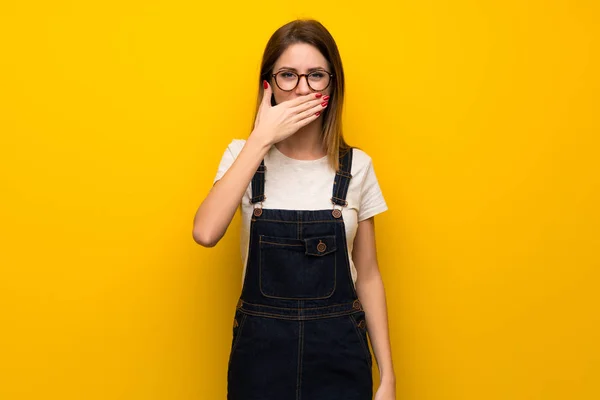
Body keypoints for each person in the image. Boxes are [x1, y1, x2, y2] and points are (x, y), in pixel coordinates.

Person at [193, 18, 396, 400]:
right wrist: (261, 138)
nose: (303, 89)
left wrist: (387, 377)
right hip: (260, 360)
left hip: (340, 357)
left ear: (332, 85)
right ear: (268, 86)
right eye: (288, 75)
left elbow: (367, 276)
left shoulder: (357, 167)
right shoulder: (242, 157)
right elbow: (205, 233)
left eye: (316, 75)